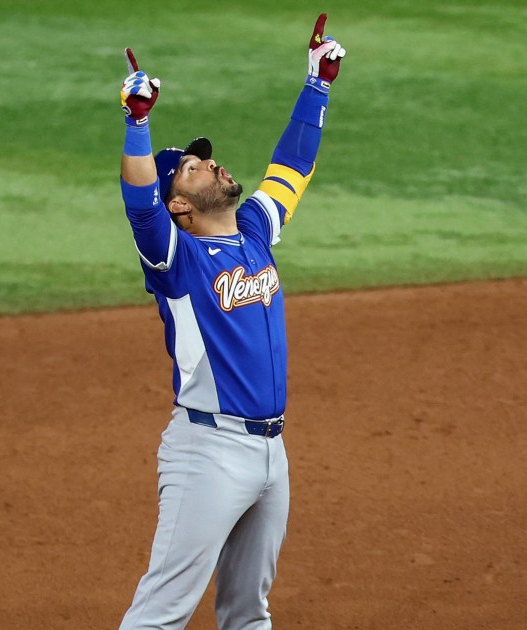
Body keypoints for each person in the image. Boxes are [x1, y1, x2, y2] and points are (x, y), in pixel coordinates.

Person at [116, 13, 346, 630]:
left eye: (207, 161)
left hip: (273, 453)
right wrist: (138, 123)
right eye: (194, 168)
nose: (213, 166)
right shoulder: (175, 257)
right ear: (179, 205)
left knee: (248, 615)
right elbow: (139, 203)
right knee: (160, 615)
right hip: (208, 450)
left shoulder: (253, 233)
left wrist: (316, 86)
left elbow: (291, 169)